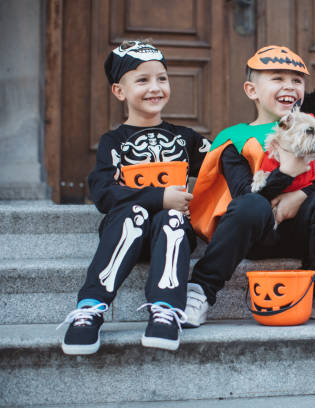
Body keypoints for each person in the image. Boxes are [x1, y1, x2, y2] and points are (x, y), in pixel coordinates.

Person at [58, 40, 210, 354]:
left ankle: (165, 310)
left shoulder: (186, 139)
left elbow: (221, 164)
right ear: (119, 91)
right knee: (134, 212)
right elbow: (103, 192)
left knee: (171, 217)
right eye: (142, 80)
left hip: (171, 234)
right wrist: (159, 197)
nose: (155, 87)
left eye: (162, 78)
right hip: (126, 232)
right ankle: (91, 307)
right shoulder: (112, 142)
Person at [185, 45, 315, 328]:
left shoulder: (310, 129)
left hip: (303, 233)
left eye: (297, 80)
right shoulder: (236, 138)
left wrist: (298, 196)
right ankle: (200, 290)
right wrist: (286, 173)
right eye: (277, 78)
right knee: (251, 204)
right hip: (256, 235)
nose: (289, 86)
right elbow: (243, 195)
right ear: (252, 90)